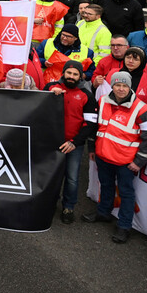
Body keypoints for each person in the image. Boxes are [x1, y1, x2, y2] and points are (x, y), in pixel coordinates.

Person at [83, 72, 147, 243]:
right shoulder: (103, 101)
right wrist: (92, 148)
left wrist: (138, 162)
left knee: (126, 193)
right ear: (112, 86)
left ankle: (124, 226)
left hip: (125, 162)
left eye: (125, 86)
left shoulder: (142, 109)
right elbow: (96, 128)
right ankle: (103, 213)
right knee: (106, 186)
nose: (121, 89)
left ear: (130, 87)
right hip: (103, 156)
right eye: (117, 85)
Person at [45, 61, 97, 224]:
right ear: (63, 73)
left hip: (74, 144)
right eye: (69, 73)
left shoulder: (86, 95)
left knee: (72, 178)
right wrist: (49, 94)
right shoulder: (51, 87)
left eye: (75, 74)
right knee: (49, 176)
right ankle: (48, 203)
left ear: (81, 76)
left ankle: (68, 207)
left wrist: (75, 142)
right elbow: (37, 107)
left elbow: (90, 123)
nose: (71, 77)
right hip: (51, 142)